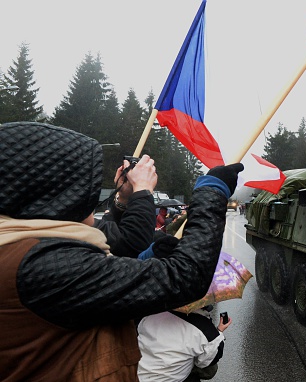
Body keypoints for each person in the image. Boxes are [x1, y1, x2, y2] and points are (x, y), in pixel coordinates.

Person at [0, 121, 243, 381]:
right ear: (57, 197)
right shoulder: (41, 267)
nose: (91, 205)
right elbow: (186, 276)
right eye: (85, 192)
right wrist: (211, 192)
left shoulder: (21, 244)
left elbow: (121, 245)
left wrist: (125, 199)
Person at [136, 236, 231, 381]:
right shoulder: (205, 330)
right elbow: (208, 362)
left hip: (138, 376)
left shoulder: (148, 314)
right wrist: (219, 333)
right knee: (205, 366)